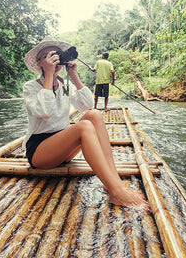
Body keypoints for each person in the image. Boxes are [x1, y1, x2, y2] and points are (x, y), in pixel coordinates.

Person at [22, 37, 149, 210]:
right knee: (84, 127)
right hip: (40, 152)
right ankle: (117, 192)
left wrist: (74, 76)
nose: (53, 59)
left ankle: (113, 181)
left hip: (63, 149)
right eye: (47, 56)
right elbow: (44, 112)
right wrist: (49, 75)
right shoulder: (31, 87)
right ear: (40, 63)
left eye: (56, 55)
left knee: (94, 115)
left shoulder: (64, 84)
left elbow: (88, 105)